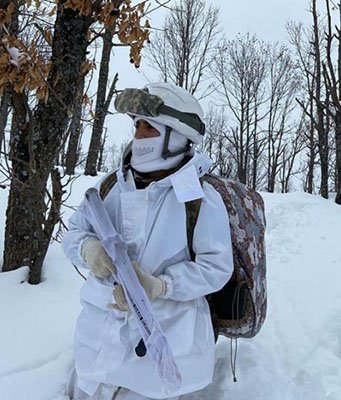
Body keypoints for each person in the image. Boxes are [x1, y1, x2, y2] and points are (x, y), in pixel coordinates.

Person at [62, 82, 234, 400]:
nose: (138, 135)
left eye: (149, 127)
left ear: (177, 135)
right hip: (96, 345)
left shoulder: (199, 197)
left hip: (166, 351)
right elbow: (72, 232)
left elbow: (216, 267)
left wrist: (161, 286)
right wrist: (89, 249)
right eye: (137, 125)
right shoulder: (111, 185)